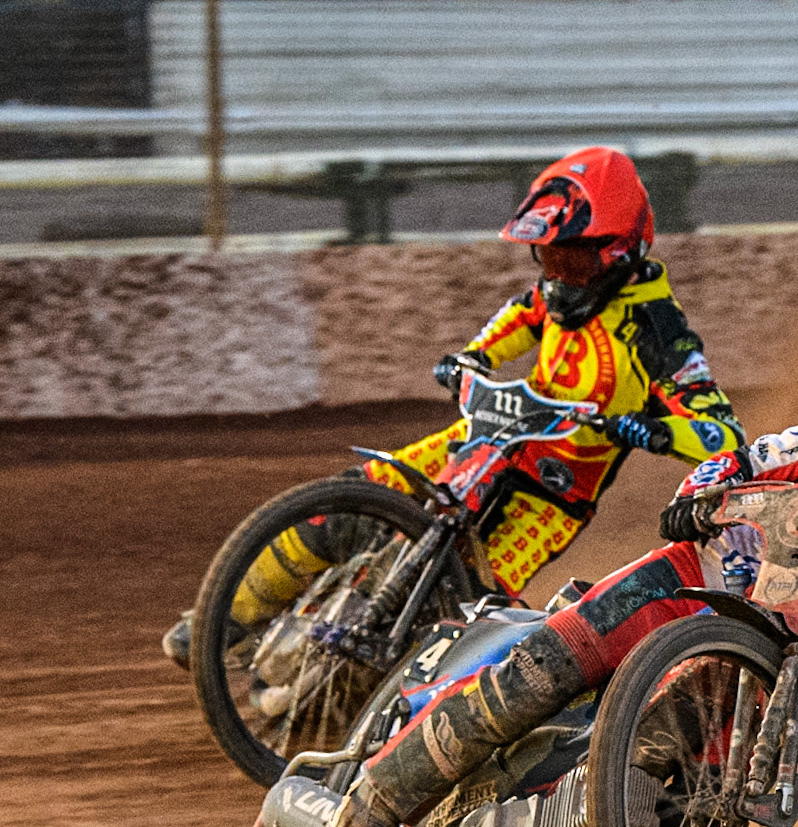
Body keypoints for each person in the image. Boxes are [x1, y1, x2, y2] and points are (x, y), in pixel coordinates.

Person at [281, 317, 798, 827]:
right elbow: (748, 456)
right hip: (686, 579)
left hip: (758, 662)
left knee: (717, 812)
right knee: (539, 670)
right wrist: (698, 495)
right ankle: (370, 811)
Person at [163, 146, 746, 665]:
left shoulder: (659, 331)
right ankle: (224, 622)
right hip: (489, 439)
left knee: (461, 621)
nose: (558, 278)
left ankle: (380, 727)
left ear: (619, 252)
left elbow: (724, 436)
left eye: (572, 262)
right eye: (547, 260)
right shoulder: (555, 295)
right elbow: (522, 317)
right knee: (350, 500)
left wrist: (653, 431)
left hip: (548, 498)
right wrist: (472, 359)